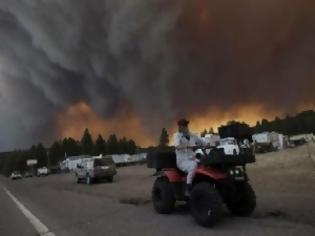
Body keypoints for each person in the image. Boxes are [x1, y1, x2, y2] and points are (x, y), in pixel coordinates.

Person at [173, 119, 206, 194]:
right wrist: (187, 145)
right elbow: (177, 146)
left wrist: (209, 144)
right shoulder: (177, 136)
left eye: (185, 125)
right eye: (182, 126)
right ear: (179, 127)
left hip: (193, 159)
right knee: (193, 166)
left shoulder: (192, 135)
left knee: (205, 163)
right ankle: (188, 187)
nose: (184, 127)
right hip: (182, 161)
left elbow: (202, 142)